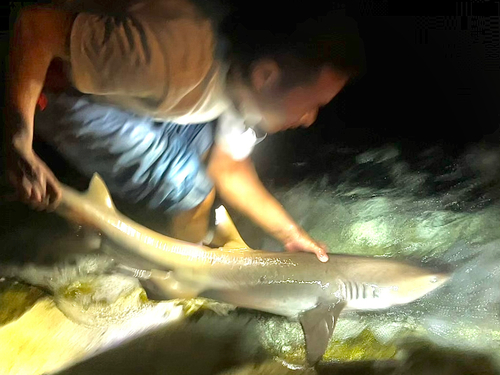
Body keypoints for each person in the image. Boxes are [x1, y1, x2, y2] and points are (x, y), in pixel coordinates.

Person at [4, 0, 365, 262]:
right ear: (266, 75)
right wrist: (19, 140)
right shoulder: (175, 61)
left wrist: (293, 235)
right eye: (312, 103)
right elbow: (36, 26)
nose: (309, 119)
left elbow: (229, 168)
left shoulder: (245, 85)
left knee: (206, 156)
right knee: (189, 188)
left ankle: (170, 256)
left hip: (129, 89)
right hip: (52, 84)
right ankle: (179, 283)